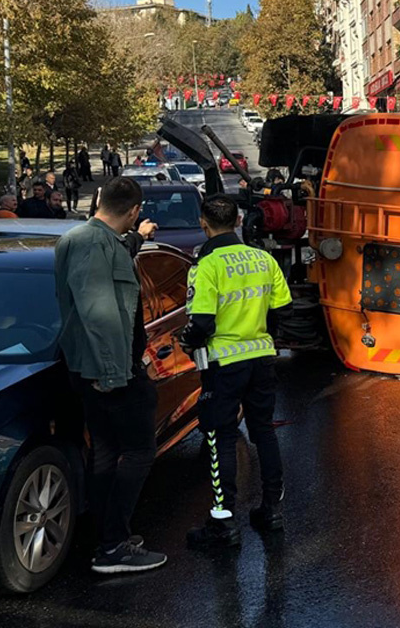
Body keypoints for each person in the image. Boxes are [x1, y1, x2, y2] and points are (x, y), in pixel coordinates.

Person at [54, 177, 166, 574]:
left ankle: (106, 538)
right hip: (109, 371)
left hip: (100, 369)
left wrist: (138, 237)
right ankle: (114, 546)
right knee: (138, 452)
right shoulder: (92, 245)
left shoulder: (93, 240)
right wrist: (113, 373)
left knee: (105, 453)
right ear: (134, 210)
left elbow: (115, 259)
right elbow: (98, 314)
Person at [181, 194, 291, 548]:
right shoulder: (264, 259)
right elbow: (282, 309)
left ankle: (223, 523)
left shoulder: (206, 266)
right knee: (264, 432)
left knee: (220, 437)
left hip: (223, 364)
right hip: (261, 357)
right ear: (239, 221)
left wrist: (188, 341)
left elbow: (200, 324)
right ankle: (271, 510)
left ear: (203, 223)